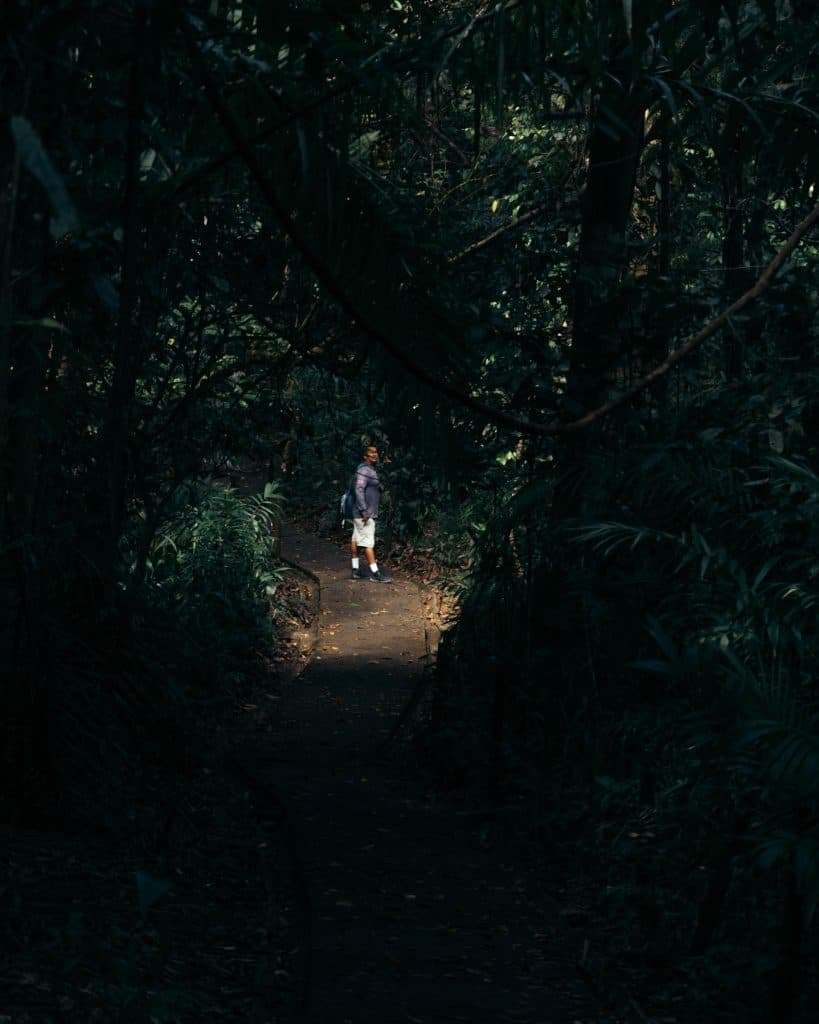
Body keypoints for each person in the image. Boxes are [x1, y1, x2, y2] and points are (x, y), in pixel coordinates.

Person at [349, 445, 392, 583]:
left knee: (355, 539)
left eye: (375, 452)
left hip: (360, 513)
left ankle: (355, 570)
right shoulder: (364, 470)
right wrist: (364, 510)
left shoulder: (367, 469)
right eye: (371, 452)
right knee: (368, 544)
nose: (375, 454)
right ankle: (375, 573)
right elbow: (359, 489)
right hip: (364, 514)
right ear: (365, 456)